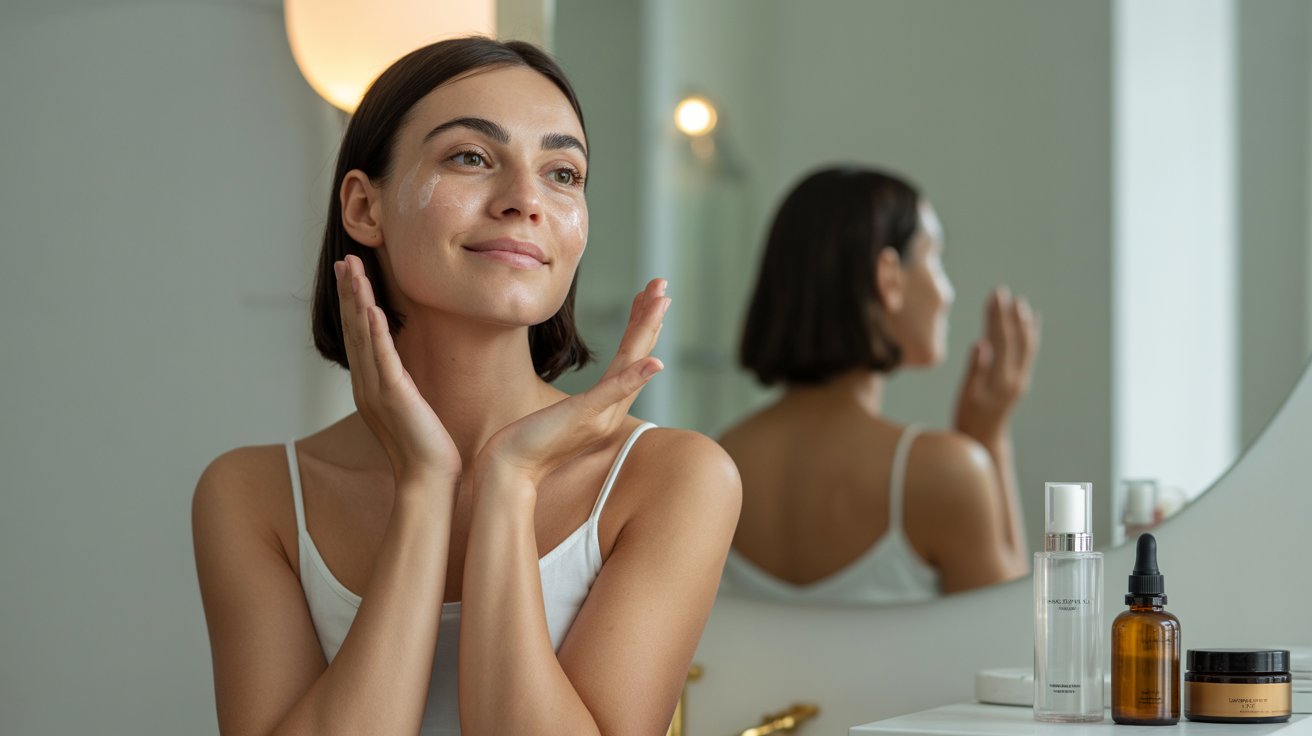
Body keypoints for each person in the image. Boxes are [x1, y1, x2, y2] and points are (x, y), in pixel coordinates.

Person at [192, 37, 740, 735]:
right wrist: (425, 485)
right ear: (364, 208)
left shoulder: (674, 478)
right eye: (471, 158)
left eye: (563, 173)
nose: (526, 201)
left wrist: (510, 481)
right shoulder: (254, 496)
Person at [718, 165, 1037, 605]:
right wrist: (990, 440)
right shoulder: (945, 473)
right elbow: (1013, 631)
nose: (947, 292)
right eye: (934, 257)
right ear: (888, 278)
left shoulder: (716, 464)